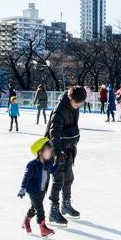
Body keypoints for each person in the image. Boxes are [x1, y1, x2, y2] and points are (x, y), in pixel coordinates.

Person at [46, 86, 87, 226]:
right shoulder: (59, 110)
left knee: (69, 177)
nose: (79, 106)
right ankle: (53, 211)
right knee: (58, 180)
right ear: (70, 99)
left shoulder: (74, 107)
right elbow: (54, 133)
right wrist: (57, 153)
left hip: (68, 148)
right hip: (56, 149)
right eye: (77, 103)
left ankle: (66, 204)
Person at [17, 137, 57, 237]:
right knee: (39, 208)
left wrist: (59, 163)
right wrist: (23, 188)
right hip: (33, 191)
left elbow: (52, 170)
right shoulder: (32, 165)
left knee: (34, 207)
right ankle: (43, 228)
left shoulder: (47, 164)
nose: (50, 154)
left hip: (42, 191)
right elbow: (26, 176)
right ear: (40, 152)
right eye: (48, 151)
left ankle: (26, 221)